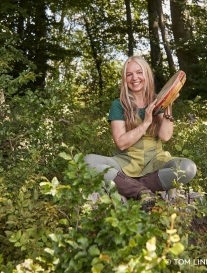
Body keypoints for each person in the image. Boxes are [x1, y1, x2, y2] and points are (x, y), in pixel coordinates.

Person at [84, 55, 196, 211]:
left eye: (139, 72)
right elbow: (121, 143)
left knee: (188, 168)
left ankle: (130, 186)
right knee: (87, 161)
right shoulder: (119, 104)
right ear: (125, 79)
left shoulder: (158, 100)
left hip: (155, 162)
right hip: (125, 163)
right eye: (129, 74)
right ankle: (141, 192)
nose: (134, 78)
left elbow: (165, 136)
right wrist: (146, 123)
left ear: (146, 75)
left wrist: (167, 103)